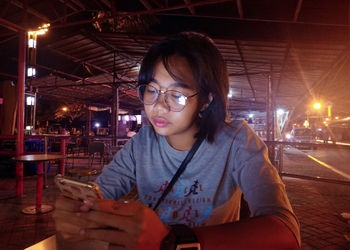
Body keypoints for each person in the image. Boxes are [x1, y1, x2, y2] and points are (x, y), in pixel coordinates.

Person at [53, 32, 300, 249]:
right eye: (152, 90)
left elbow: (286, 232)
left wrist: (173, 242)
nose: (159, 105)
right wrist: (79, 210)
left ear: (206, 100)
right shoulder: (143, 142)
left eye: (177, 95)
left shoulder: (237, 141)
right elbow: (102, 192)